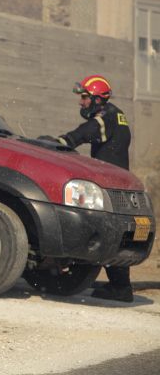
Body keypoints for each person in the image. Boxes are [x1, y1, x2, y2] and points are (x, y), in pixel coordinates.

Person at [50, 74, 134, 303]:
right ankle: (120, 286)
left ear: (97, 99)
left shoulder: (104, 118)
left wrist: (55, 144)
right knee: (112, 232)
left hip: (109, 185)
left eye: (85, 98)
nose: (81, 102)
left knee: (100, 229)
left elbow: (82, 134)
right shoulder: (117, 114)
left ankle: (118, 286)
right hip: (118, 183)